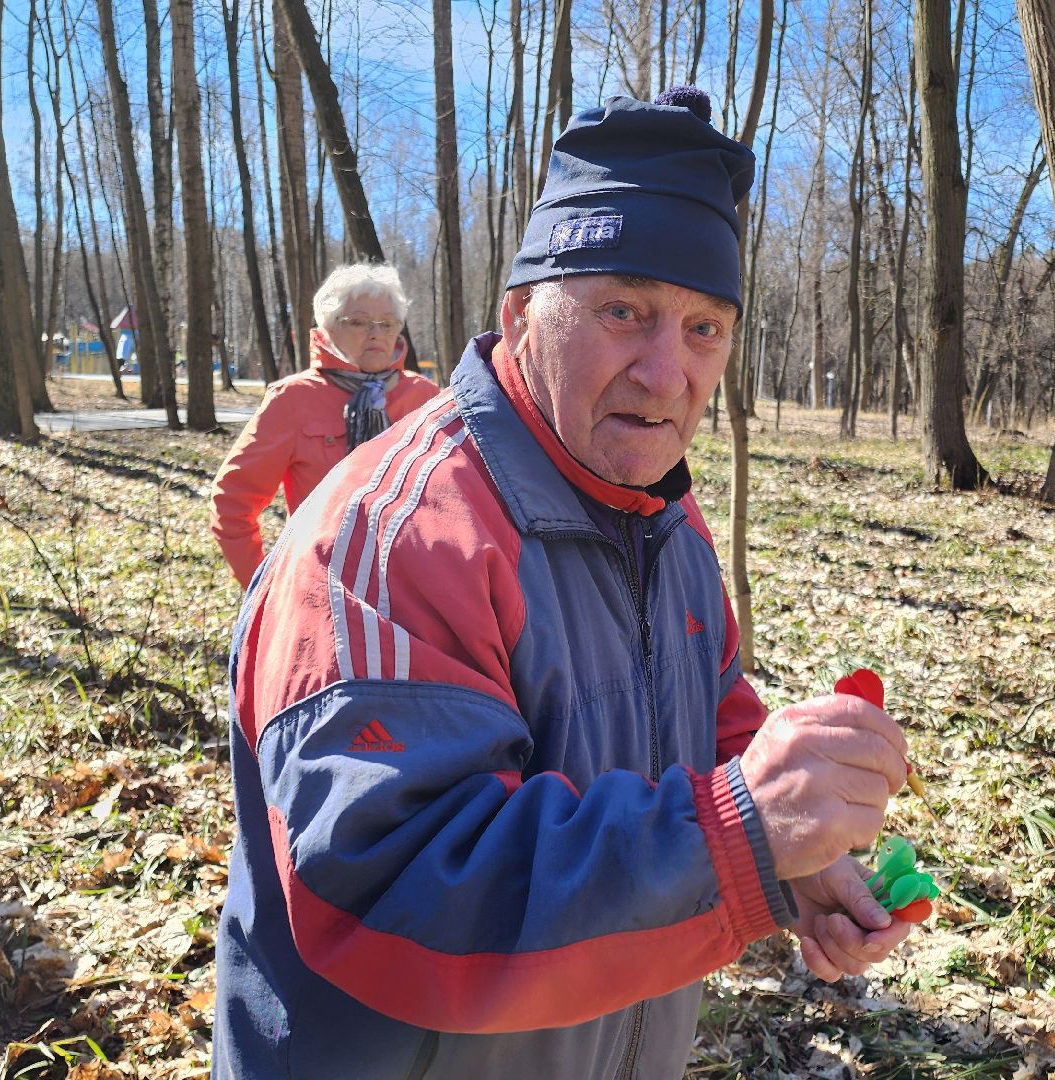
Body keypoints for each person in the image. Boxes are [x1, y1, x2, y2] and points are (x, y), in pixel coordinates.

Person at [213, 89, 913, 1078]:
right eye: (623, 310)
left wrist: (793, 861)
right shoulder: (389, 535)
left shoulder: (662, 515)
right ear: (519, 316)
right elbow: (390, 884)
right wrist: (733, 835)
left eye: (704, 328)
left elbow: (708, 715)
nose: (666, 372)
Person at [209, 264, 440, 589]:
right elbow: (232, 501)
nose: (376, 333)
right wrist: (262, 590)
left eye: (387, 324)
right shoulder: (293, 399)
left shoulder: (426, 398)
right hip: (324, 590)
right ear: (328, 327)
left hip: (415, 591)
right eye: (358, 322)